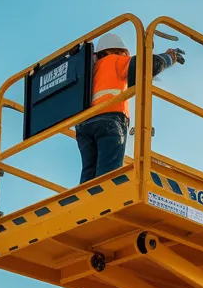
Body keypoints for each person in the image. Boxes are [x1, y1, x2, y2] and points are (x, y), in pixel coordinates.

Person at [76, 33, 185, 184]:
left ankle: (83, 204)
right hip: (110, 119)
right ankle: (106, 201)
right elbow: (146, 65)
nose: (125, 55)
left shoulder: (89, 70)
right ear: (114, 51)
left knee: (89, 172)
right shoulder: (115, 61)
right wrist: (168, 58)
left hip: (83, 125)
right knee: (108, 173)